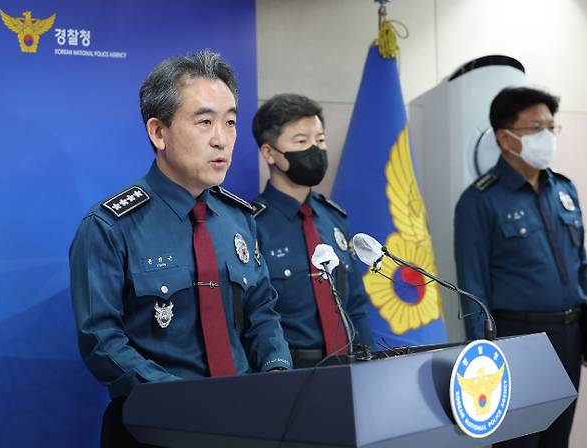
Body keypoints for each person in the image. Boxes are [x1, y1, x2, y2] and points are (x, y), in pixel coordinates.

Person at [69, 50, 292, 448]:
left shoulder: (239, 218)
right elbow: (101, 339)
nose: (221, 138)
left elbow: (262, 312)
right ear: (159, 132)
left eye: (230, 122)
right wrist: (181, 400)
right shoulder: (110, 225)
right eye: (205, 121)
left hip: (245, 422)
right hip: (154, 427)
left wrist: (277, 375)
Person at [454, 86, 587, 448]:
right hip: (517, 340)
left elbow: (581, 263)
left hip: (571, 334)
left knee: (557, 439)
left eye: (552, 127)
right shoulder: (479, 200)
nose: (548, 137)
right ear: (506, 138)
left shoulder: (564, 189)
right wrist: (484, 357)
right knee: (518, 441)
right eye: (536, 129)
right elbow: (472, 290)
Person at [251, 94, 374, 368]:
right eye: (301, 141)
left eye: (319, 140)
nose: (315, 150)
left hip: (348, 366)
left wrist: (373, 364)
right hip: (289, 374)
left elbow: (355, 306)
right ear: (269, 153)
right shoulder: (250, 225)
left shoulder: (333, 218)